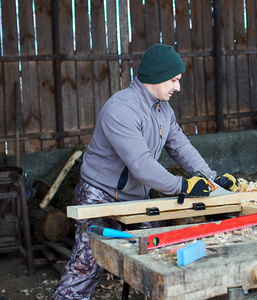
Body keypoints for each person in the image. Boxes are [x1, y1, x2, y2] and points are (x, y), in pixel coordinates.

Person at [50, 43, 237, 299]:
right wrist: (183, 186)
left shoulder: (163, 109)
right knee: (88, 265)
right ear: (157, 77)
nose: (177, 87)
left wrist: (211, 177)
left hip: (136, 197)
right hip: (100, 195)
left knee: (157, 256)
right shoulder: (122, 109)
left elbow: (180, 145)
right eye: (174, 80)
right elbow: (141, 165)